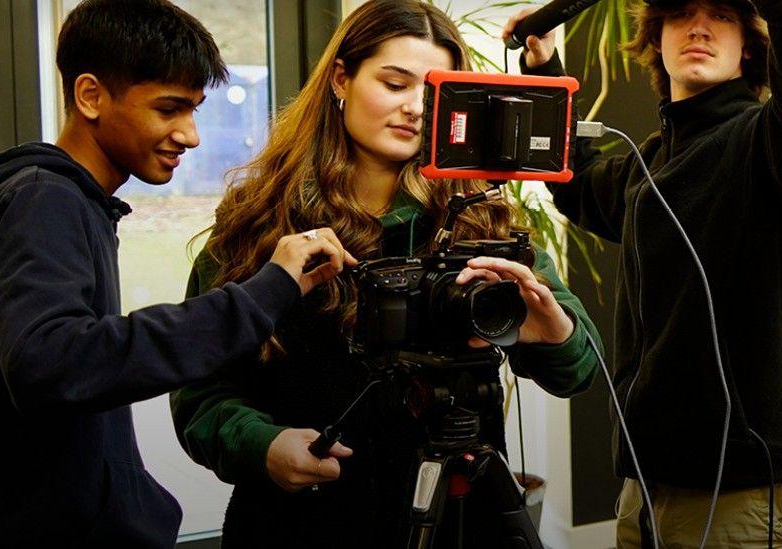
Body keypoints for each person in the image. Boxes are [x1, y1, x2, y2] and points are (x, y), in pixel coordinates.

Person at [169, 0, 603, 547]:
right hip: (304, 523)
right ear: (341, 79)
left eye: (432, 93)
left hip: (460, 521)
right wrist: (262, 444)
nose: (415, 109)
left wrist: (553, 332)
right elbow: (201, 392)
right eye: (394, 84)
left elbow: (579, 371)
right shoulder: (259, 224)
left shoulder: (481, 222)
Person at [0, 1, 355, 547]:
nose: (190, 135)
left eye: (194, 110)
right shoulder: (44, 200)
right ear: (90, 96)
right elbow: (52, 363)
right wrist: (263, 293)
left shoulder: (63, 201)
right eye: (169, 109)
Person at [504, 0, 782, 546]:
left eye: (721, 14)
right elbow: (577, 181)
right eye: (682, 12)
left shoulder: (770, 145)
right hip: (645, 486)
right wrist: (544, 69)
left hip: (744, 493)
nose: (699, 27)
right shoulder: (652, 161)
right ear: (657, 41)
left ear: (750, 49)